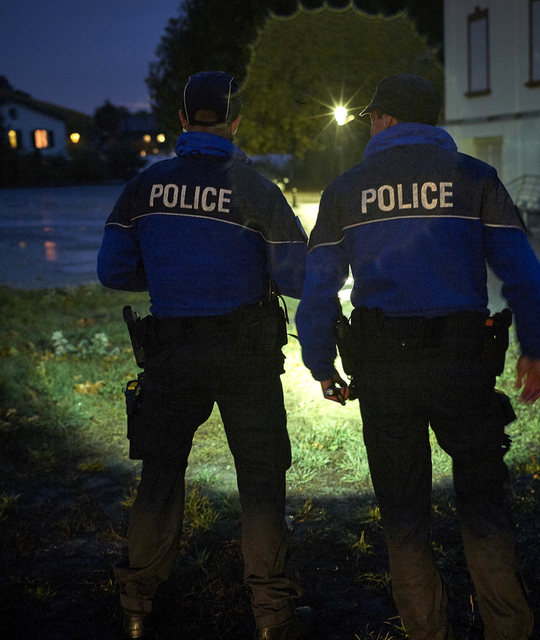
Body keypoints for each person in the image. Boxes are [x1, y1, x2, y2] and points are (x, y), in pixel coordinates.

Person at [296, 74, 540, 639]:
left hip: (383, 366)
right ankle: (508, 626)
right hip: (464, 360)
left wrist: (320, 364)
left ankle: (425, 629)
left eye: (370, 116)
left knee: (404, 509)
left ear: (383, 118)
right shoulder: (475, 178)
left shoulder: (346, 189)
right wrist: (533, 348)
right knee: (483, 499)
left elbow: (318, 292)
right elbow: (526, 276)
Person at [97, 71, 308, 640]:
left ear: (185, 120)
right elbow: (296, 274)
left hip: (170, 351)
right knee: (261, 478)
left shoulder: (145, 186)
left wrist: (168, 277)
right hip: (246, 354)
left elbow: (112, 269)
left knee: (160, 475)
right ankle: (271, 616)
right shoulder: (255, 188)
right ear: (235, 122)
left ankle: (136, 605)